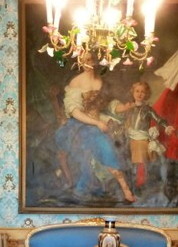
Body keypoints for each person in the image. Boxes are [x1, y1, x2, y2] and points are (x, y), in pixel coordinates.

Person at [54, 53, 136, 203]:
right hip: (79, 125)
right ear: (80, 62)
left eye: (91, 59)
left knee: (111, 148)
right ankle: (122, 190)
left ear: (97, 61)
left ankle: (124, 190)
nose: (89, 63)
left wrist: (124, 107)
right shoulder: (76, 82)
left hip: (97, 123)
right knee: (100, 150)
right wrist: (97, 123)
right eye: (85, 60)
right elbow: (75, 112)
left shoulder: (101, 81)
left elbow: (107, 105)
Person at [111, 81, 175, 191]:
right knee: (127, 161)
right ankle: (131, 184)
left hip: (142, 139)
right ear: (133, 92)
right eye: (137, 91)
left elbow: (159, 119)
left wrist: (167, 127)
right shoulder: (129, 108)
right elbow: (123, 122)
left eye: (143, 92)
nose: (140, 94)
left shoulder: (148, 109)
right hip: (129, 138)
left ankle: (142, 184)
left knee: (142, 162)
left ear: (147, 94)